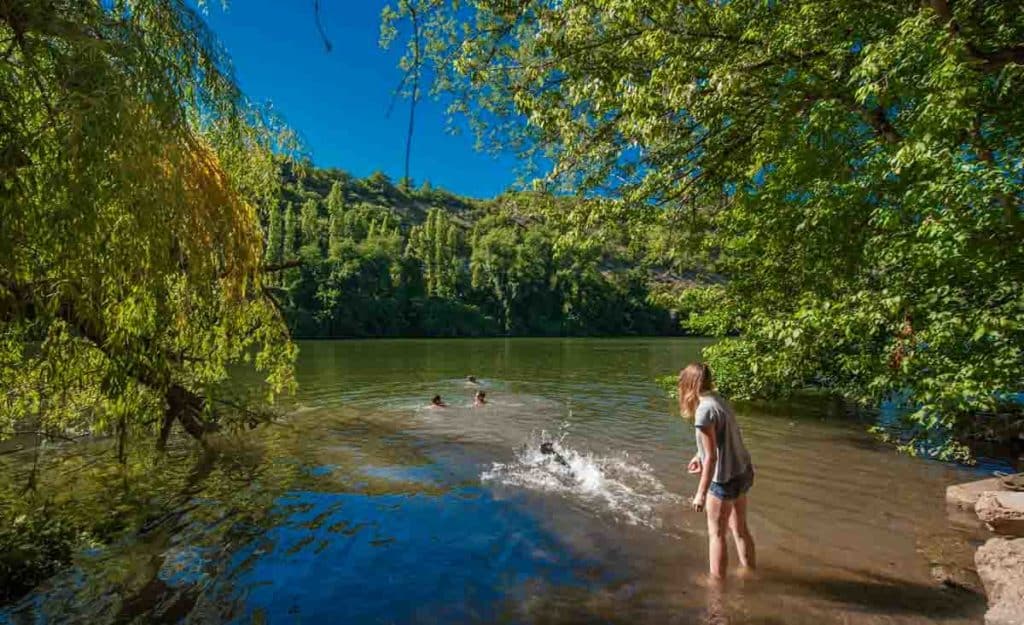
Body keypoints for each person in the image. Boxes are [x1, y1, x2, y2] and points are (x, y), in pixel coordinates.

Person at [678, 362, 756, 580]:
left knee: (717, 534)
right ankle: (750, 573)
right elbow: (722, 438)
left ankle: (716, 587)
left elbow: (712, 457)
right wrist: (698, 455)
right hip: (742, 471)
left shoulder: (703, 411)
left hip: (723, 480)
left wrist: (701, 494)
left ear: (688, 385)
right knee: (740, 529)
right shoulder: (720, 400)